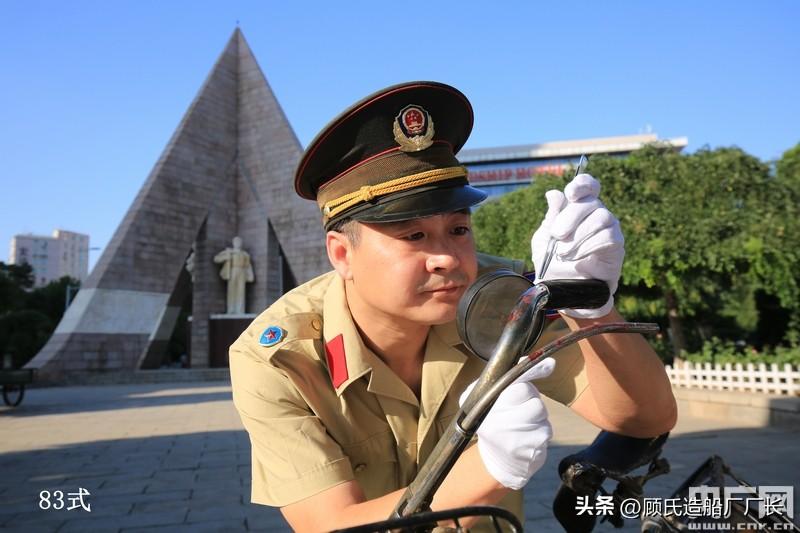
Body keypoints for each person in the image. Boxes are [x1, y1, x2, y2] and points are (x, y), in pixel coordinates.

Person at [229, 81, 677, 532]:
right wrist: (489, 468)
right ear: (342, 254)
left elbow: (644, 417)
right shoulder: (278, 358)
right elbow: (330, 525)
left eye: (458, 230)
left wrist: (592, 307)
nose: (446, 257)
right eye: (414, 236)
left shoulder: (501, 299)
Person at [214, 236, 255, 314]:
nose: (238, 244)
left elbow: (248, 265)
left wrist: (250, 275)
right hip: (233, 271)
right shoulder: (230, 252)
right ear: (233, 243)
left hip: (242, 271)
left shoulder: (245, 254)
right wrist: (227, 256)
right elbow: (216, 259)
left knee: (241, 291)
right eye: (236, 242)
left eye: (239, 242)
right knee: (232, 291)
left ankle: (240, 310)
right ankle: (231, 309)